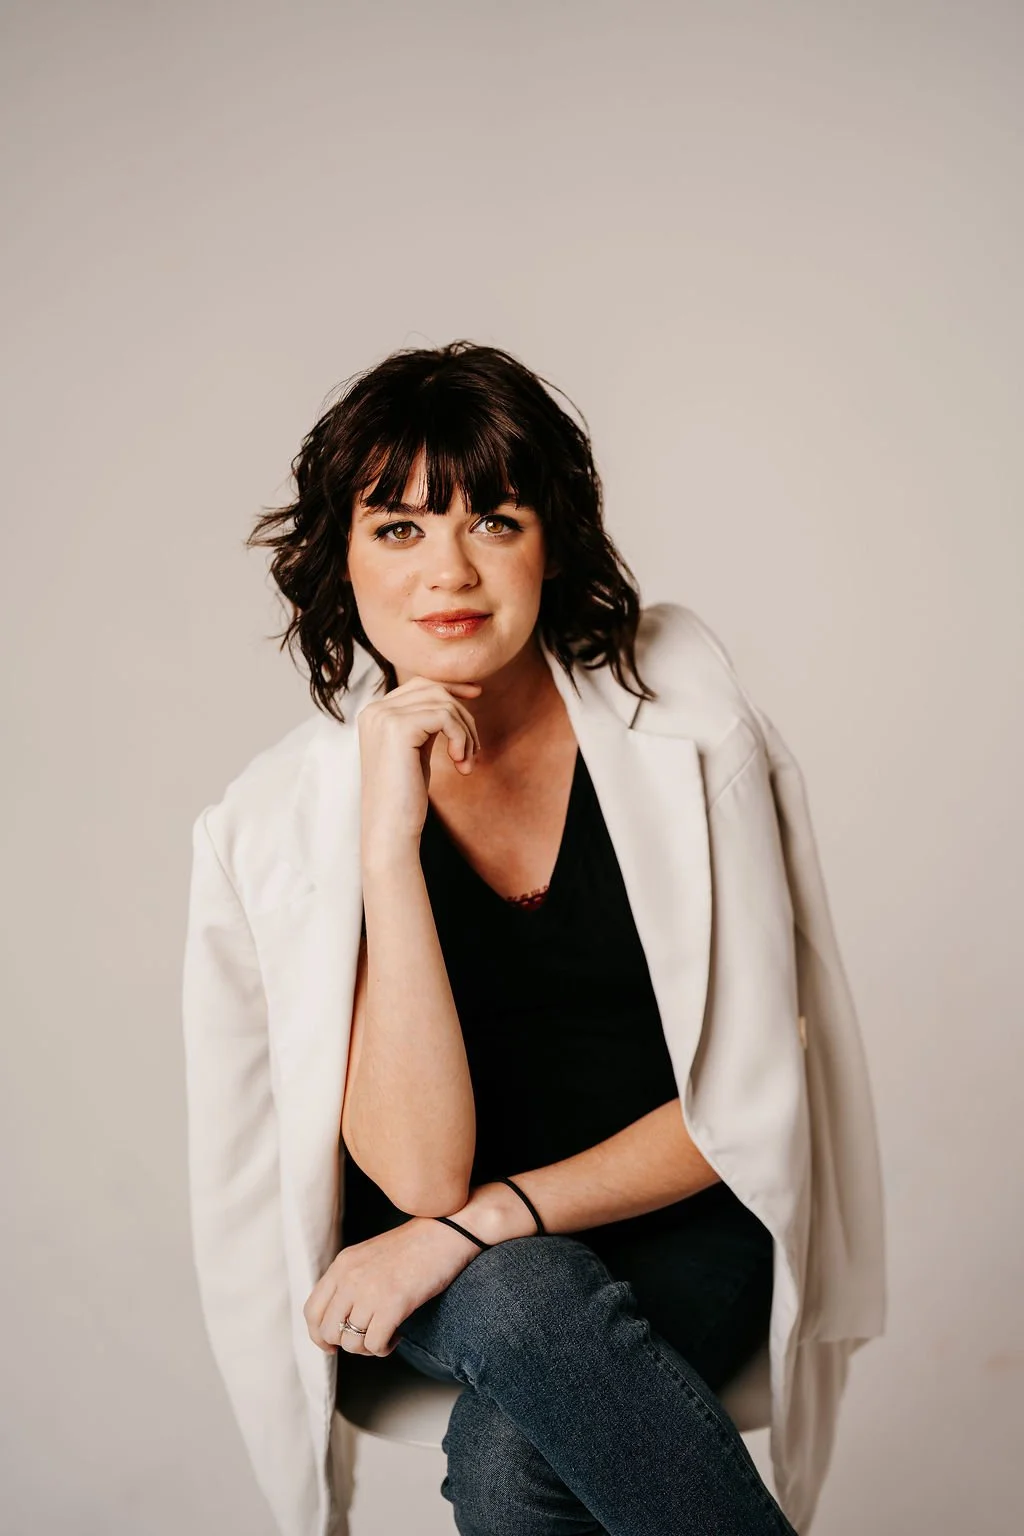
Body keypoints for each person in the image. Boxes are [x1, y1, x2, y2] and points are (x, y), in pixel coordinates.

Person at [183, 339, 885, 1536]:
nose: (448, 572)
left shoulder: (690, 724)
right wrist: (387, 853)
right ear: (340, 558)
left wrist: (490, 1220)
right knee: (517, 1300)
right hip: (417, 1260)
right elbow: (420, 1182)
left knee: (513, 1449)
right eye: (397, 529)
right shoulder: (272, 825)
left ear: (550, 543)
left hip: (676, 1217)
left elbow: (754, 1091)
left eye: (493, 521)